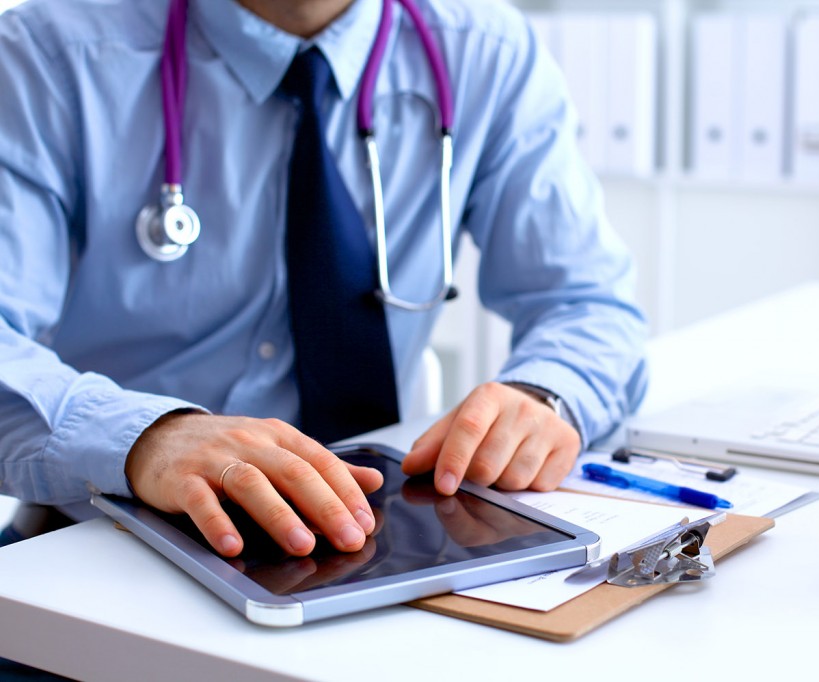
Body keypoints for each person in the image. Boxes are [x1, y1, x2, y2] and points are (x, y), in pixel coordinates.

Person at [0, 0, 647, 564]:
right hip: (99, 546)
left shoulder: (486, 54)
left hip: (376, 545)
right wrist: (146, 438)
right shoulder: (45, 57)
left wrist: (543, 395)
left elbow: (588, 303)